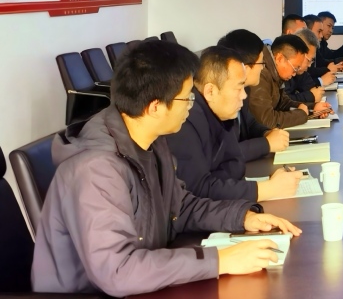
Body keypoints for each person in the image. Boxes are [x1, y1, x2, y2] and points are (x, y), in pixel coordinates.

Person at [31, 40, 301, 296]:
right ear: (155, 107)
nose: (192, 106)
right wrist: (219, 260)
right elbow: (117, 271)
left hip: (141, 284)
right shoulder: (96, 169)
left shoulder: (151, 140)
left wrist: (242, 217)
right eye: (187, 99)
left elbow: (180, 207)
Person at [167, 46, 306, 202]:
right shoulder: (185, 122)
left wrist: (268, 184)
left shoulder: (221, 114)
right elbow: (197, 190)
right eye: (239, 88)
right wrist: (266, 189)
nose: (244, 95)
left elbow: (235, 166)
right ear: (210, 92)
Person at [216, 28, 290, 162]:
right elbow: (226, 153)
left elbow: (250, 123)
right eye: (261, 63)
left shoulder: (245, 89)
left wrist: (267, 133)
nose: (263, 68)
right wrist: (266, 144)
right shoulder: (219, 98)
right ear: (244, 66)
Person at [247, 34, 331, 128]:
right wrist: (301, 115)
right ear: (280, 59)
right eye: (295, 68)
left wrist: (312, 108)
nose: (294, 74)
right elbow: (267, 120)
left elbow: (283, 103)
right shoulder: (261, 75)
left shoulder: (274, 71)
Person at [285, 27, 335, 109]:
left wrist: (315, 97)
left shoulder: (300, 71)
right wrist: (311, 96)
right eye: (309, 60)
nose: (309, 65)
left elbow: (311, 87)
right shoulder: (284, 70)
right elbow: (284, 102)